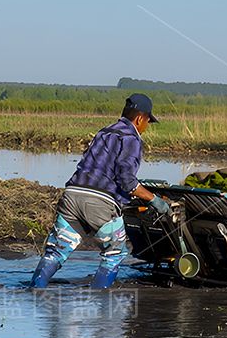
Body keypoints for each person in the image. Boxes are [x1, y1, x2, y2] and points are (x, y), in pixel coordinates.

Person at [30, 93, 170, 289]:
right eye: (147, 121)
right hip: (99, 203)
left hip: (71, 196)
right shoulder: (132, 139)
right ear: (139, 119)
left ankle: (34, 291)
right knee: (115, 253)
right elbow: (127, 180)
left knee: (56, 251)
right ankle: (99, 301)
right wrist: (154, 199)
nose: (146, 127)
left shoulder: (104, 132)